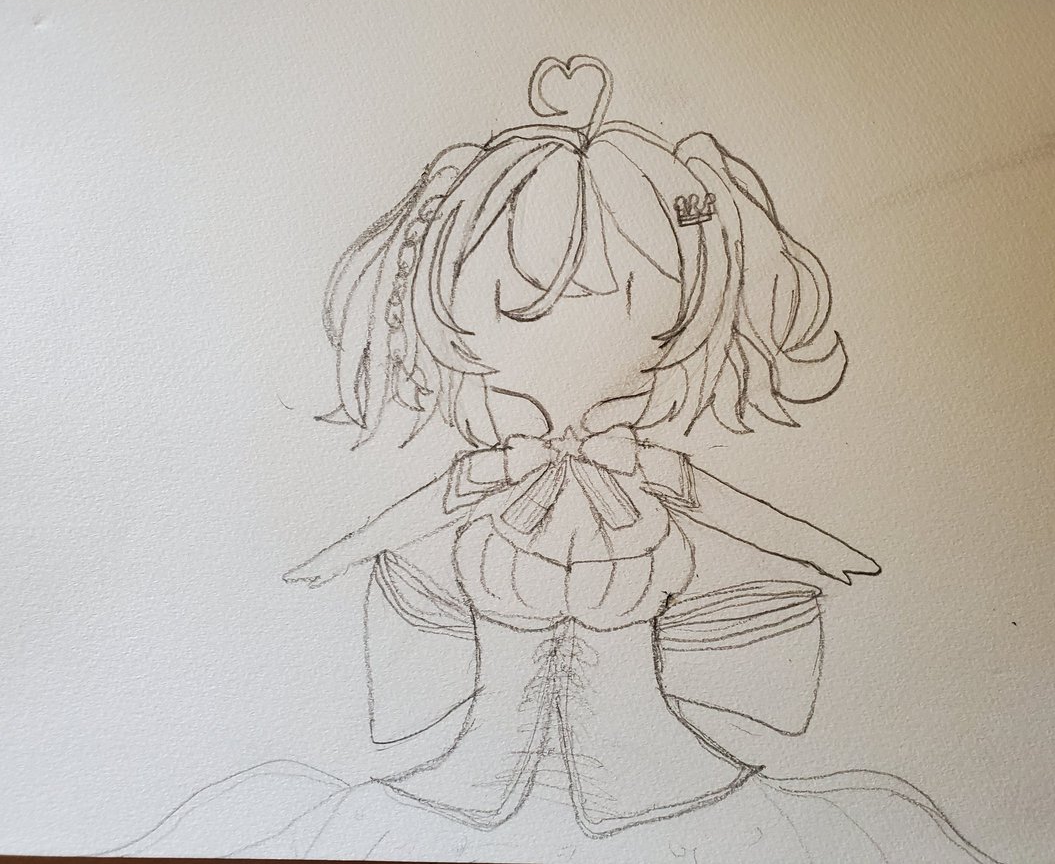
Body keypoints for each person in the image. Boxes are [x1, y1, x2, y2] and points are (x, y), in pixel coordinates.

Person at [111, 56, 997, 863]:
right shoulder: (498, 473)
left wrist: (822, 550)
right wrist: (331, 557)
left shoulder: (641, 472)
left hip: (682, 797)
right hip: (460, 798)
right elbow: (409, 516)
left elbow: (736, 512)